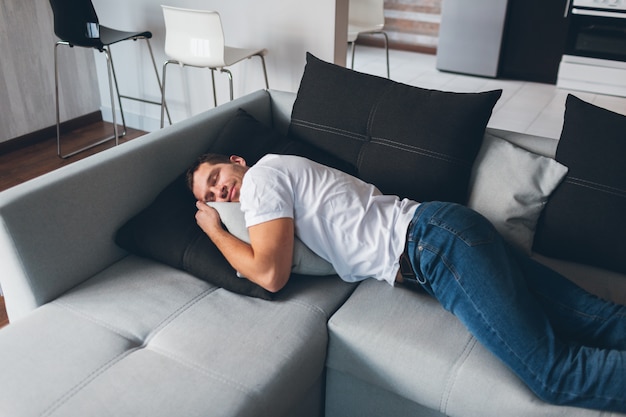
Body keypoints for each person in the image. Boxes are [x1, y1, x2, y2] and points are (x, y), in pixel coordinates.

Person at [188, 152, 626, 413]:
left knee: (552, 374)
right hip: (444, 232)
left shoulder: (262, 179)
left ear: (237, 162)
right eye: (208, 198)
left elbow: (270, 274)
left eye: (216, 180)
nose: (219, 194)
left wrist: (215, 231)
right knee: (596, 319)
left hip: (434, 247)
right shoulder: (275, 178)